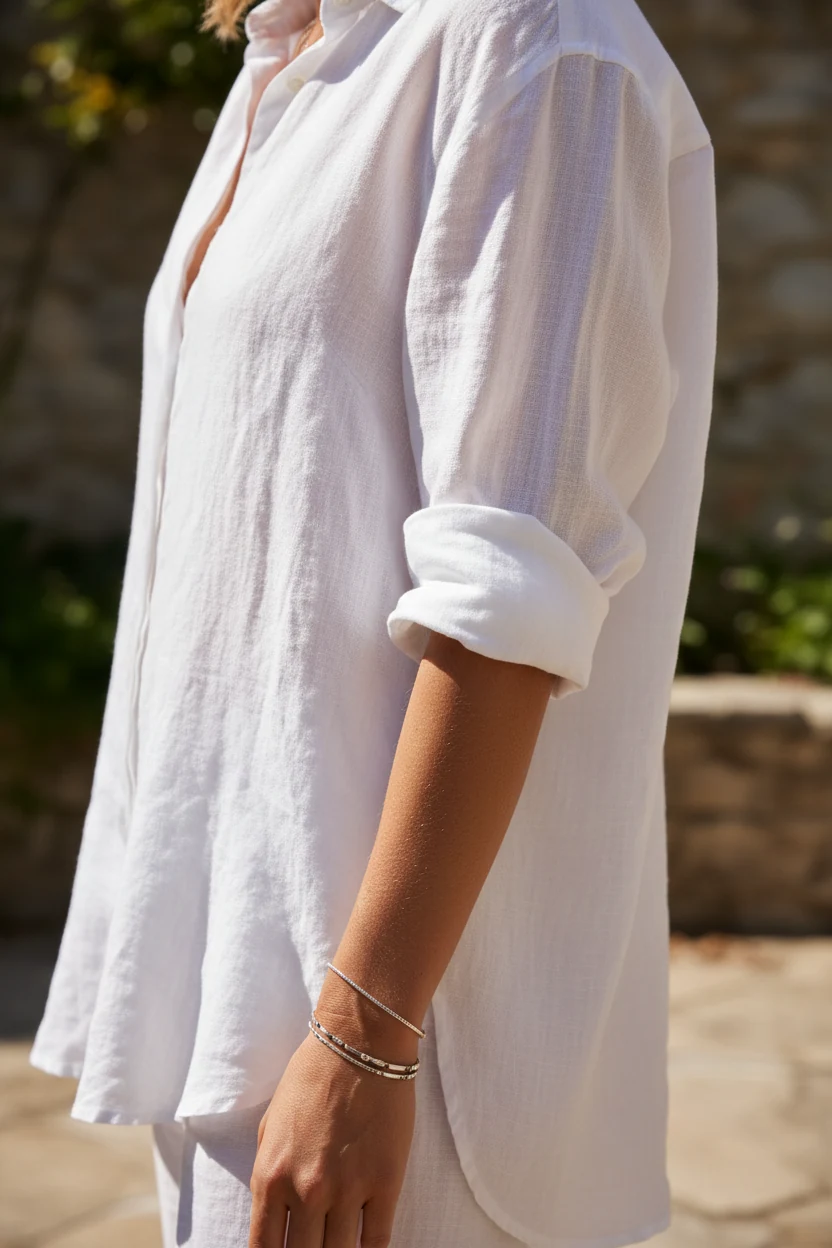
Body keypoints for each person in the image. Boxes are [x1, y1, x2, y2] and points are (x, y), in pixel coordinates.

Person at [29, 0, 718, 1242]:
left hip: (412, 1063)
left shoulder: (542, 43)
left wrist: (364, 1038)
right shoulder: (301, 52)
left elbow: (509, 592)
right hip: (239, 1005)